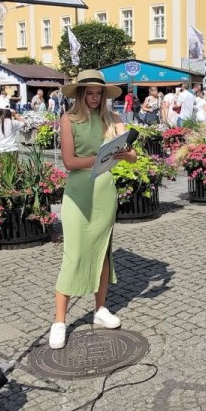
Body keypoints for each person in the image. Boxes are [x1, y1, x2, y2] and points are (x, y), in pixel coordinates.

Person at [49, 70, 134, 350]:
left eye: (99, 93)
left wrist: (123, 152)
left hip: (104, 192)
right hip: (78, 193)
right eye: (90, 93)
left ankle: (99, 310)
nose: (95, 98)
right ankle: (59, 321)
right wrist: (101, 157)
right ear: (80, 94)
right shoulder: (69, 119)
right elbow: (69, 161)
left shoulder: (114, 119)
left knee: (102, 252)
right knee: (73, 254)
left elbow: (132, 156)